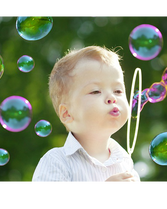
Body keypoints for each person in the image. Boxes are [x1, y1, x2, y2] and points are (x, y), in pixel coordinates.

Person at [32, 46, 140, 184]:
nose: (112, 98)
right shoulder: (56, 162)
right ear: (67, 113)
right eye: (95, 91)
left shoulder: (126, 164)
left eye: (118, 91)